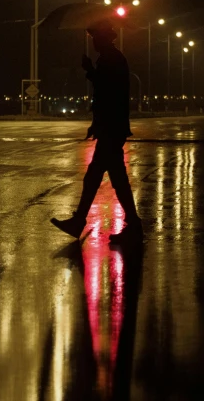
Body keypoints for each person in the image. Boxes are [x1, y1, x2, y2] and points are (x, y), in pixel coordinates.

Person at [51, 19, 143, 242]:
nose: (92, 42)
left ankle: (82, 221)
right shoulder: (110, 58)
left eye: (94, 38)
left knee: (98, 176)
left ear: (103, 38)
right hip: (112, 126)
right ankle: (129, 225)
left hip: (112, 127)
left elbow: (106, 93)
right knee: (110, 177)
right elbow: (104, 91)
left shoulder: (110, 59)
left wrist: (90, 70)